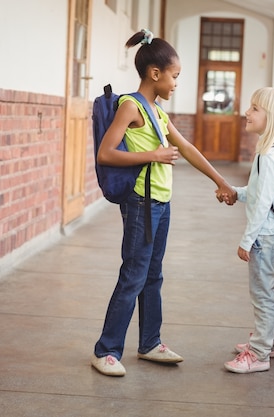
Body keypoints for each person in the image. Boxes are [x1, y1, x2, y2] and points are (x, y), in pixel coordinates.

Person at [92, 29, 236, 377]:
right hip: (141, 203)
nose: (176, 84)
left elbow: (186, 148)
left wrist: (221, 181)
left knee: (153, 275)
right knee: (134, 275)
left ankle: (150, 343)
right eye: (175, 76)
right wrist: (153, 153)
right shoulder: (131, 106)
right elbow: (106, 153)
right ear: (155, 74)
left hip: (161, 203)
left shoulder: (157, 112)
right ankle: (106, 350)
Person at [219, 87, 274, 373]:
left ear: (273, 116)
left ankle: (258, 354)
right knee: (266, 291)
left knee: (262, 294)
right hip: (272, 234)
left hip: (265, 237)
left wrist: (247, 240)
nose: (247, 112)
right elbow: (259, 194)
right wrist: (236, 192)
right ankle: (271, 342)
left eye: (255, 108)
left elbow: (262, 205)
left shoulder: (270, 157)